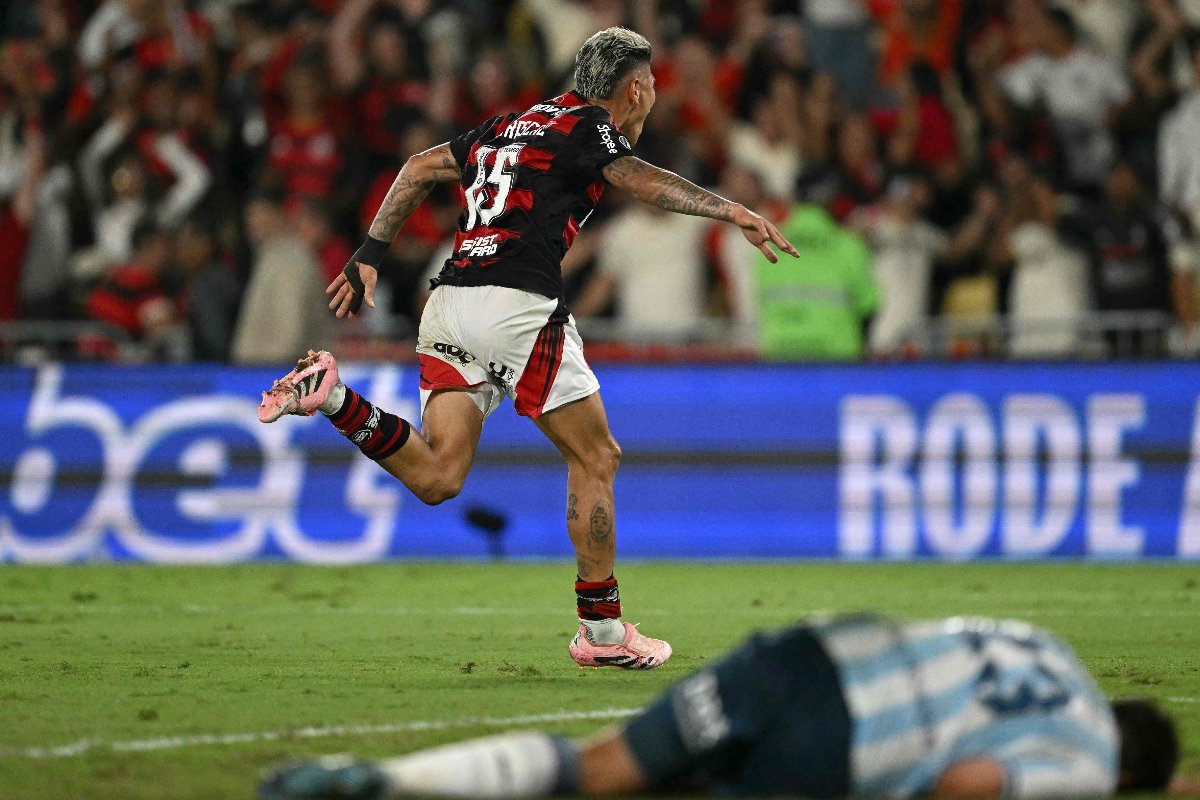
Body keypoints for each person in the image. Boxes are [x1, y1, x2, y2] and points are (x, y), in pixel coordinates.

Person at [256, 27, 798, 669]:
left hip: (449, 302)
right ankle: (602, 634)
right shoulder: (592, 126)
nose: (651, 97)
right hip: (515, 305)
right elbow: (635, 179)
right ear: (637, 89)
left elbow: (418, 167)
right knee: (596, 456)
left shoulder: (509, 124)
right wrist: (729, 209)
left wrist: (371, 253)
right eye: (650, 85)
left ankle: (335, 397)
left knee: (439, 476)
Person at [259, 613, 1179, 800]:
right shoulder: (1085, 765)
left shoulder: (1045, 644)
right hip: (839, 746)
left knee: (605, 768)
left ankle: (368, 782)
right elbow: (973, 785)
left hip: (798, 656)